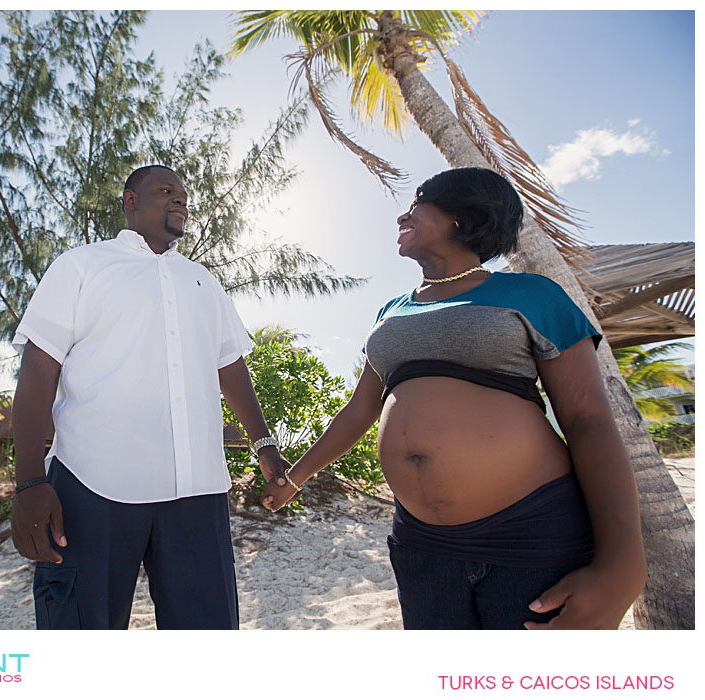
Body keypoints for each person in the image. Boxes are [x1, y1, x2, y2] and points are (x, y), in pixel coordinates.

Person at [261, 167, 646, 630]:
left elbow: (587, 418)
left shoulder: (532, 295)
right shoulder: (392, 311)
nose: (402, 214)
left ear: (461, 217)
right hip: (422, 545)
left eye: (418, 201)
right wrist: (296, 477)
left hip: (529, 534)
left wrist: (624, 567)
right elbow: (360, 409)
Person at [10, 164, 288, 630]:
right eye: (165, 190)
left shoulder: (204, 281)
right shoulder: (81, 265)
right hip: (90, 487)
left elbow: (231, 368)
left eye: (183, 194)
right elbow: (38, 370)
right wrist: (29, 483)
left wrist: (266, 448)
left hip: (197, 491)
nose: (179, 199)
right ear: (130, 199)